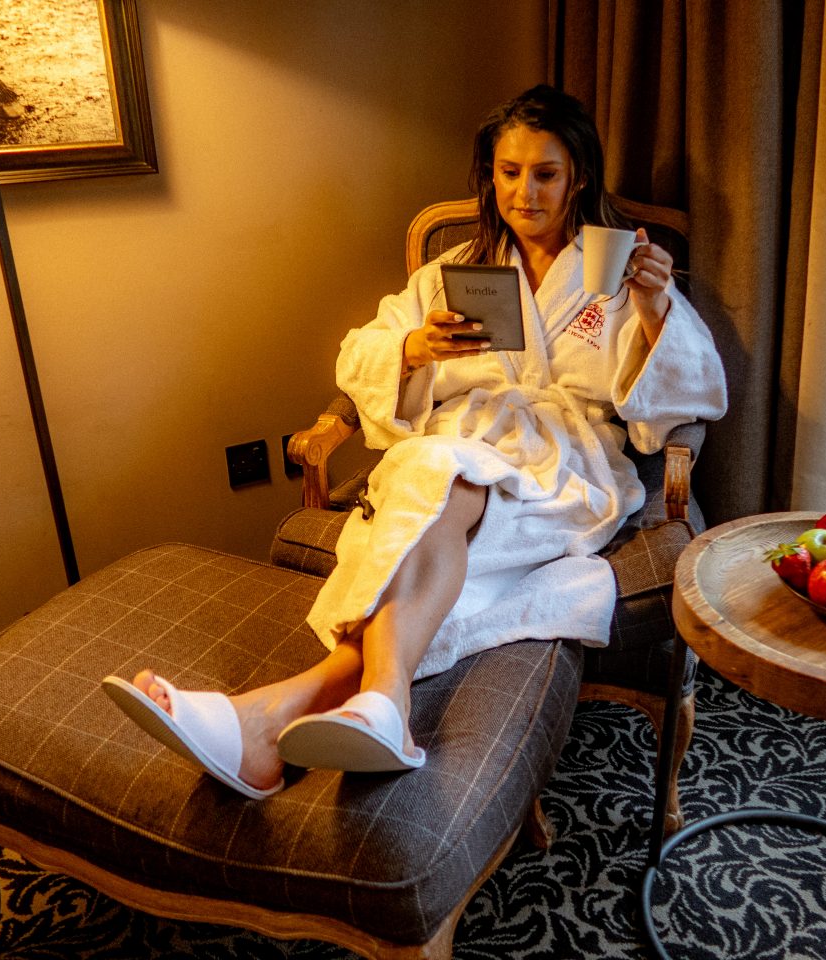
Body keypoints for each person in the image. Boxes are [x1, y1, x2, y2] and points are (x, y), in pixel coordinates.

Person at [102, 84, 727, 799]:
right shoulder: (450, 272)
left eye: (545, 174)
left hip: (562, 465)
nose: (524, 193)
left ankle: (267, 715)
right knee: (435, 469)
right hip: (459, 445)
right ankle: (371, 705)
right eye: (509, 172)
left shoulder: (617, 274)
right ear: (490, 175)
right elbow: (360, 356)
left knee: (426, 482)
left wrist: (653, 310)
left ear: (578, 177)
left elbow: (688, 398)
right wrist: (415, 349)